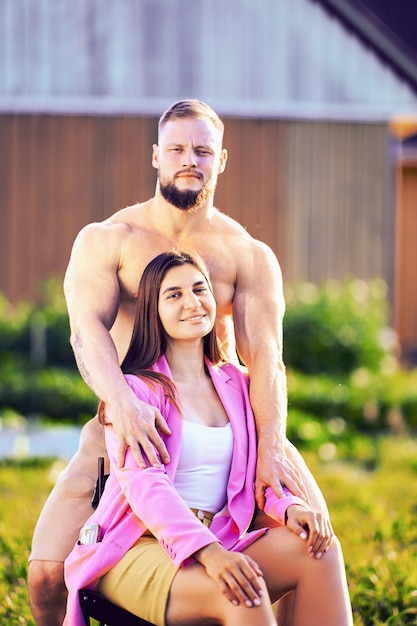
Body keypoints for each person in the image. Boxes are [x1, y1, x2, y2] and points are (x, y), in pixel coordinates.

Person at [28, 99, 332, 626]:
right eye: (176, 148)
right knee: (47, 574)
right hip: (131, 423)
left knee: (317, 541)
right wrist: (123, 405)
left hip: (228, 424)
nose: (189, 159)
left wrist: (271, 449)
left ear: (222, 160)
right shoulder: (109, 239)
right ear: (156, 156)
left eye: (202, 150)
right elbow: (86, 332)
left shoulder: (247, 254)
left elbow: (267, 358)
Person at [64, 250, 353, 626]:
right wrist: (210, 553)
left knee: (320, 549)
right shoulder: (136, 391)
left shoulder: (238, 385)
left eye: (199, 289)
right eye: (174, 295)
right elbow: (146, 487)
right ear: (154, 310)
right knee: (241, 591)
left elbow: (256, 476)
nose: (192, 302)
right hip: (138, 546)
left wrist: (291, 508)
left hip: (217, 535)